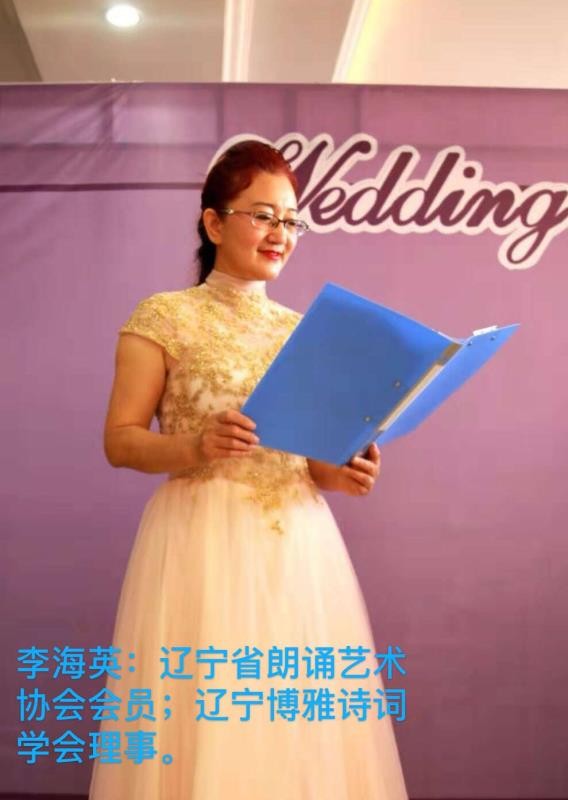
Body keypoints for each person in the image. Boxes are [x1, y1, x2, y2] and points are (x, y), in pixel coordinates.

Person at [88, 140, 408, 799]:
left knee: (295, 728)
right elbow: (120, 441)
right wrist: (195, 447)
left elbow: (309, 462)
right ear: (214, 223)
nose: (280, 233)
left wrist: (345, 470)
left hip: (299, 549)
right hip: (201, 541)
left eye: (291, 220)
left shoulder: (303, 331)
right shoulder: (162, 316)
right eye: (263, 215)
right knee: (207, 719)